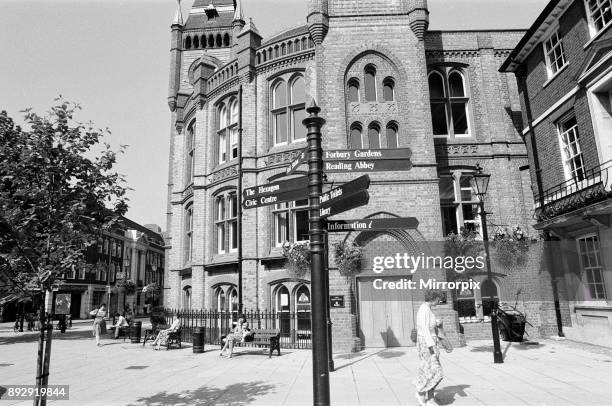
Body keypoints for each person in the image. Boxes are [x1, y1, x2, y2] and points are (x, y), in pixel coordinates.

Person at [415, 290, 446, 406]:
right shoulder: (424, 309)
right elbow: (424, 328)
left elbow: (428, 325)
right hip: (427, 344)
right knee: (436, 371)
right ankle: (420, 392)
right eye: (438, 299)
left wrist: (436, 322)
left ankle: (430, 399)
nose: (439, 301)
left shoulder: (427, 309)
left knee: (429, 370)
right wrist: (431, 346)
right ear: (433, 298)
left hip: (429, 343)